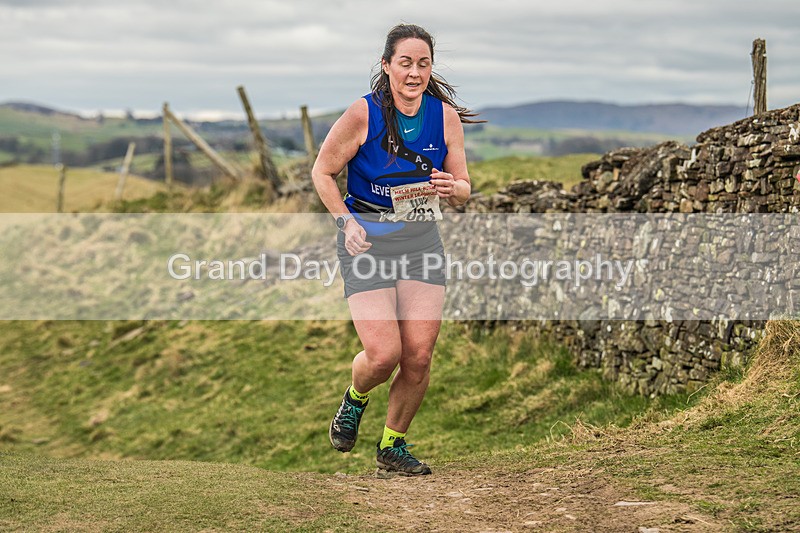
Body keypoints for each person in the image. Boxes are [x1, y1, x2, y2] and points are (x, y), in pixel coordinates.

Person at [311, 23, 479, 476]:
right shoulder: (362, 114)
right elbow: (322, 173)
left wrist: (453, 187)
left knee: (418, 355)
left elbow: (464, 187)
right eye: (405, 63)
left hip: (421, 241)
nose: (414, 72)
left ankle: (392, 445)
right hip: (366, 241)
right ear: (386, 66)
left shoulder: (444, 117)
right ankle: (355, 397)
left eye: (423, 64)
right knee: (384, 354)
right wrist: (345, 223)